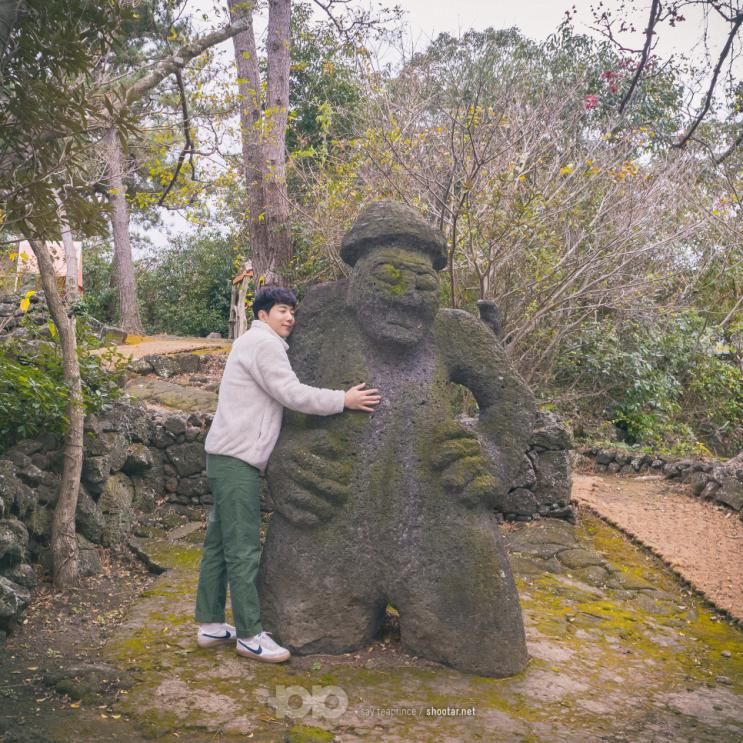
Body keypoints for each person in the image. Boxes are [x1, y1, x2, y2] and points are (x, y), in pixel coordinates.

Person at [194, 285, 380, 663]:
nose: (290, 317)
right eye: (282, 310)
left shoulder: (252, 343)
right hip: (237, 460)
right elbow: (291, 393)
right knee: (243, 548)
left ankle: (211, 625)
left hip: (226, 456)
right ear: (263, 314)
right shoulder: (263, 345)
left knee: (219, 544)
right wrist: (343, 399)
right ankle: (249, 635)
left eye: (292, 311)